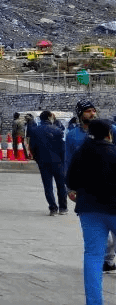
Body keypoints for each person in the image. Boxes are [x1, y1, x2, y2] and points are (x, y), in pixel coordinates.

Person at [67, 118, 116, 305]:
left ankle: (94, 302)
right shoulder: (114, 152)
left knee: (93, 256)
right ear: (109, 134)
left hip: (89, 211)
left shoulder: (81, 153)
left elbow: (70, 181)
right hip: (114, 208)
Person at [27, 110, 68, 216]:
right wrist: (63, 162)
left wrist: (37, 159)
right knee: (61, 186)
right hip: (58, 161)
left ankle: (53, 208)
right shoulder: (58, 130)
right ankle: (63, 208)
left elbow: (32, 147)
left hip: (43, 162)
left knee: (48, 186)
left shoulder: (35, 131)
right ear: (50, 117)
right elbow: (63, 149)